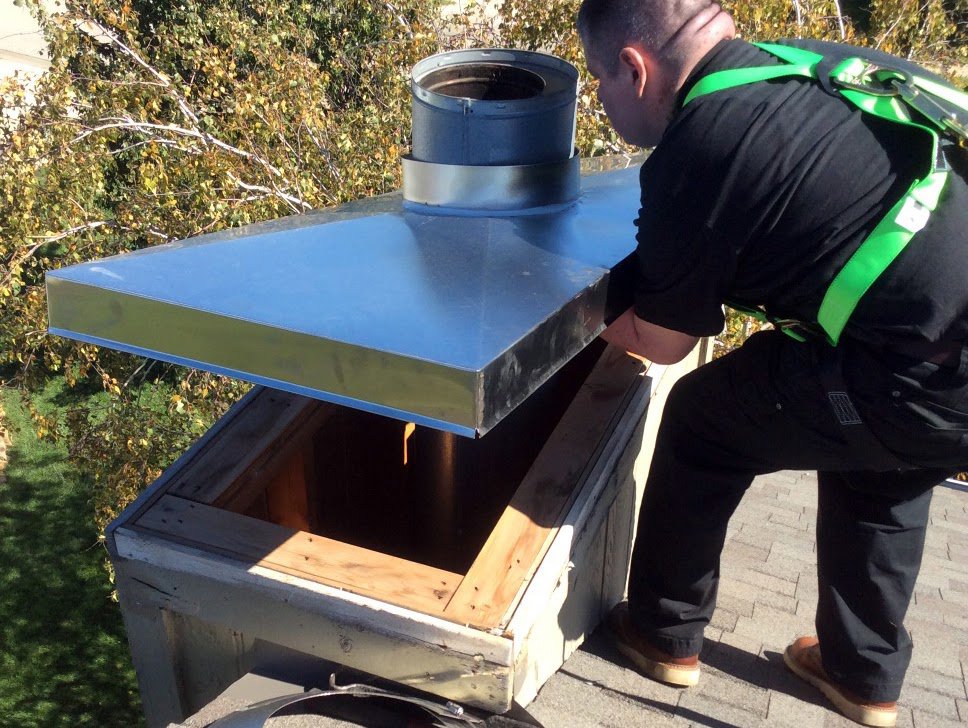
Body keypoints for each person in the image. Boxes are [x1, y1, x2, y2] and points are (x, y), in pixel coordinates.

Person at [575, 1, 968, 726]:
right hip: (938, 360)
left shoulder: (702, 142)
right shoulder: (806, 61)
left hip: (924, 377)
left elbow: (663, 341)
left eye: (599, 79)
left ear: (635, 67)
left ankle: (662, 631)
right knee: (881, 462)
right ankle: (862, 674)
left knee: (703, 420)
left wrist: (571, 321)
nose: (601, 99)